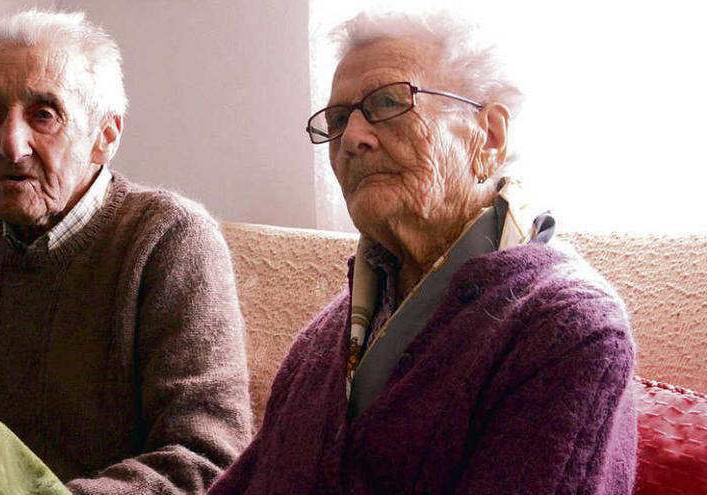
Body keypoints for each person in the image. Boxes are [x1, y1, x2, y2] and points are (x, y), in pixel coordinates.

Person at [208, 10, 636, 495]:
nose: (350, 138)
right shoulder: (328, 335)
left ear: (489, 138)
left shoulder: (568, 329)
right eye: (338, 119)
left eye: (389, 102)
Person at [0, 9, 252, 494]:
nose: (9, 144)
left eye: (43, 114)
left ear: (106, 136)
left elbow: (206, 458)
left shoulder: (170, 240)